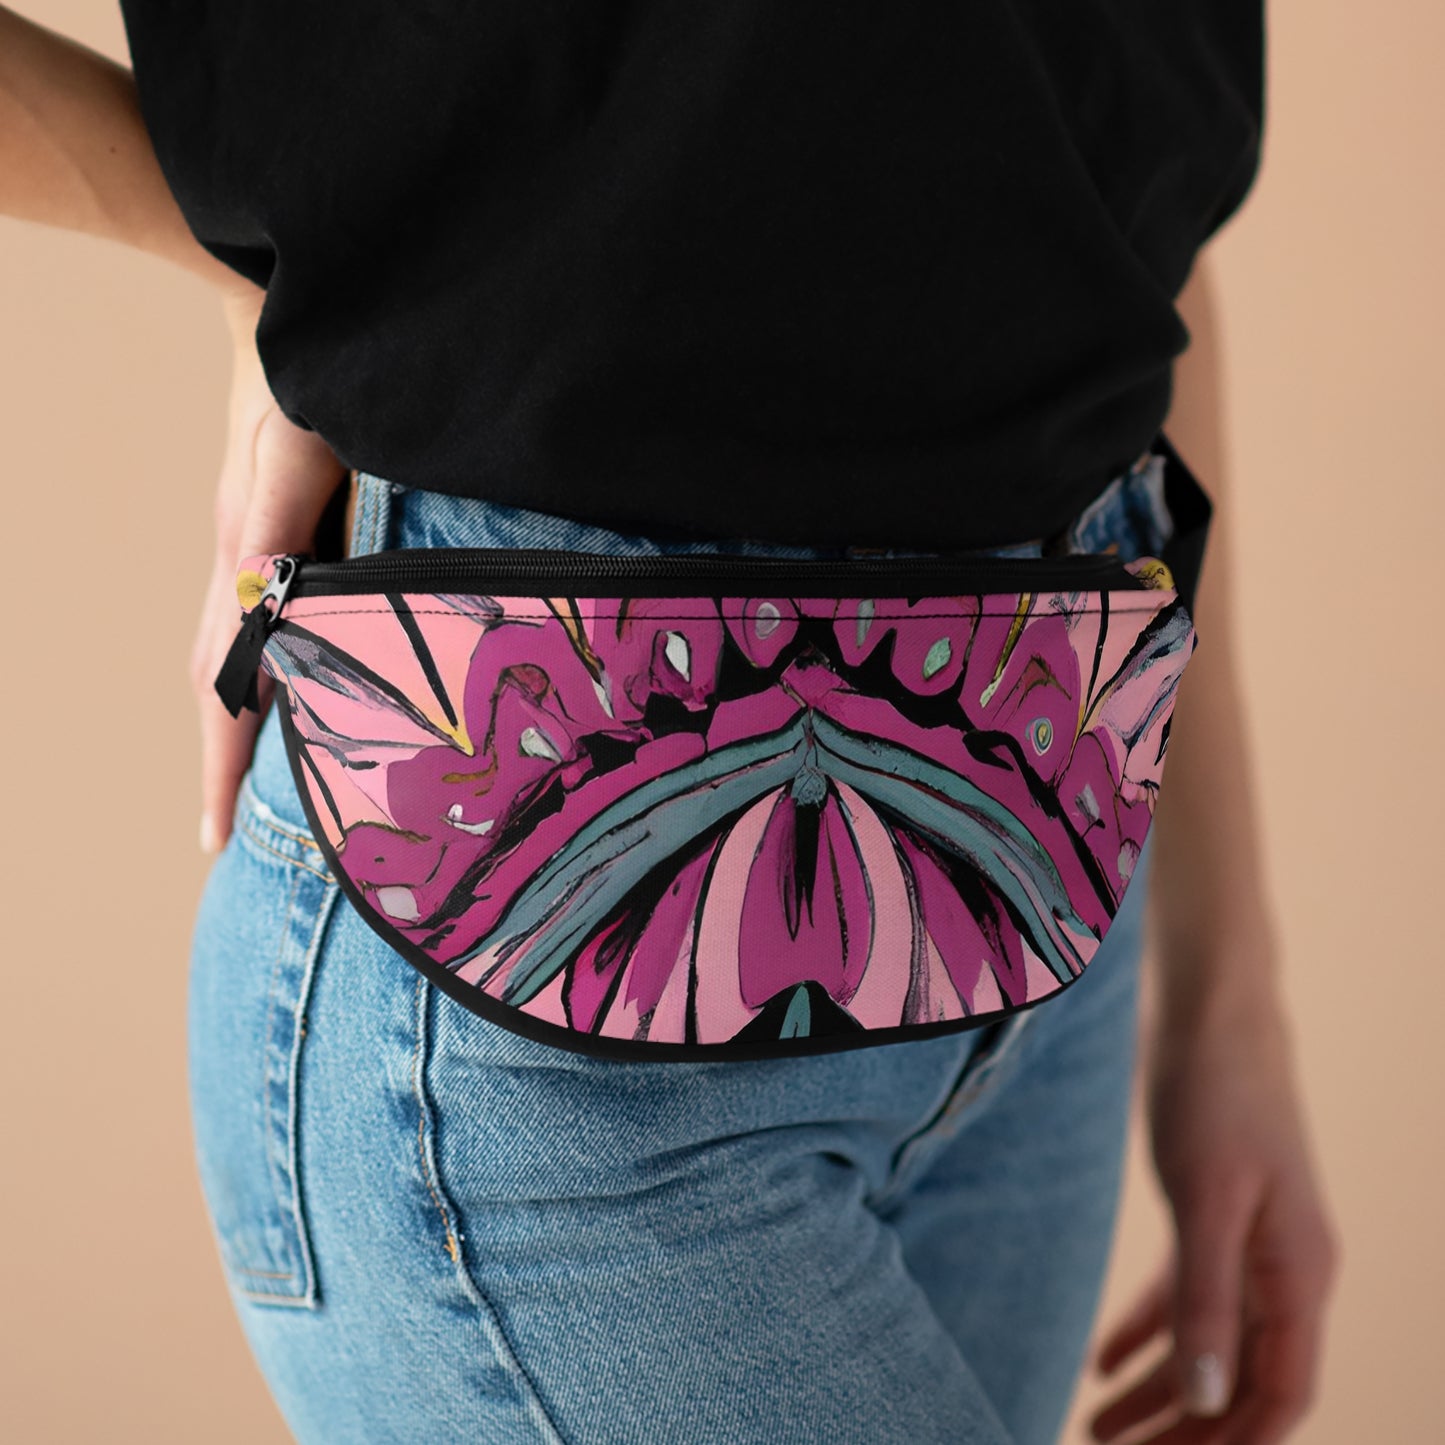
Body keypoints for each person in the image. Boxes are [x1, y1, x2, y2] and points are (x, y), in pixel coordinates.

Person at [1, 6, 1339, 1442]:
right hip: (536, 986)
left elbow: (1124, 198)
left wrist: (1227, 993)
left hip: (1053, 862)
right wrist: (253, 280)